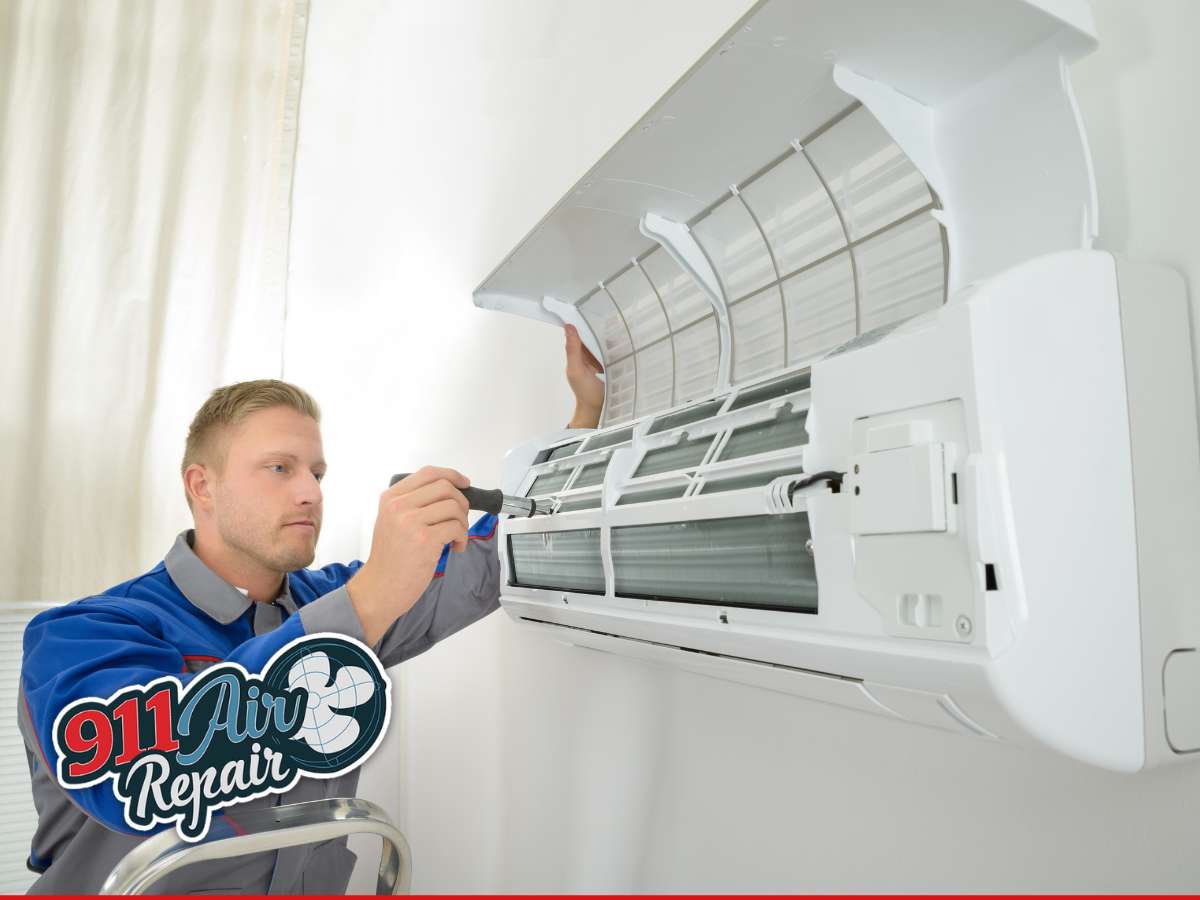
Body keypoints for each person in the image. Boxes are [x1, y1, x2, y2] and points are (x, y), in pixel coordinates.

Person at [18, 325, 604, 894]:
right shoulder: (80, 634)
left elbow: (493, 558)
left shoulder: (336, 602)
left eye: (317, 473)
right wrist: (371, 596)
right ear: (202, 486)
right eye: (280, 468)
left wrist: (584, 420)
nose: (311, 492)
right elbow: (140, 779)